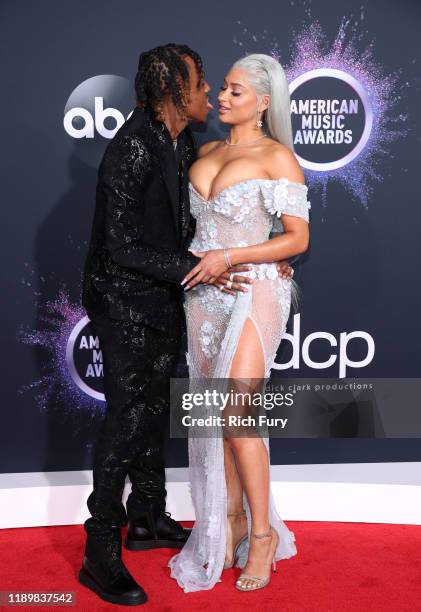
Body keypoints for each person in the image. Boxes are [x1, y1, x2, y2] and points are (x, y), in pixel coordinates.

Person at [79, 44, 293, 606]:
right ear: (177, 91)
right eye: (205, 86)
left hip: (196, 296)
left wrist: (264, 252)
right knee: (130, 419)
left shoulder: (181, 143)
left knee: (179, 413)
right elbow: (123, 245)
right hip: (134, 303)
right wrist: (213, 264)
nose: (212, 96)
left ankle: (155, 518)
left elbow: (231, 227)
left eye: (227, 89)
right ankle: (100, 548)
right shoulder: (134, 148)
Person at [168, 53, 310, 593]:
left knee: (236, 415)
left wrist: (235, 257)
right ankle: (226, 522)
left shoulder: (279, 158)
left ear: (264, 101)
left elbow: (297, 239)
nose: (222, 98)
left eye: (234, 90)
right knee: (213, 420)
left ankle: (264, 533)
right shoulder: (202, 150)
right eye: (222, 89)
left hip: (254, 291)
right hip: (204, 298)